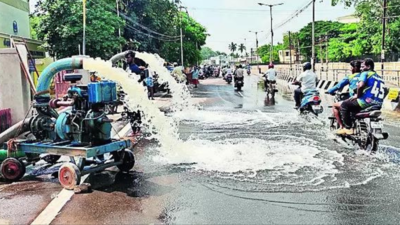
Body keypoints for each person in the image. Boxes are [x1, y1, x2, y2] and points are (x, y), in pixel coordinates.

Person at [338, 58, 386, 135]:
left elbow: (360, 86)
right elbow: (385, 91)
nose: (361, 69)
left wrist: (357, 95)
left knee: (344, 105)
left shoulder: (365, 73)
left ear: (369, 66)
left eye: (363, 67)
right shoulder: (380, 78)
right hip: (378, 104)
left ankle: (348, 128)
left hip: (366, 102)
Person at [327, 60, 362, 129]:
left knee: (335, 106)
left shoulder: (350, 77)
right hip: (365, 100)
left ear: (352, 68)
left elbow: (338, 86)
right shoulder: (365, 76)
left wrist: (330, 91)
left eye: (350, 67)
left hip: (354, 100)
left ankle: (342, 126)